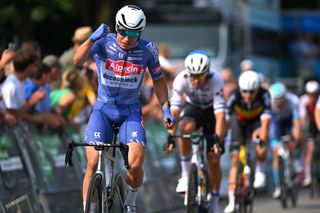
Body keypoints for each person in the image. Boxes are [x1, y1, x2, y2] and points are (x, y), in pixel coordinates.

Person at [73, 5, 175, 213]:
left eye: (134, 33)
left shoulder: (148, 49)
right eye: (123, 31)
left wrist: (166, 107)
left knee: (135, 163)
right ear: (116, 27)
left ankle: (129, 203)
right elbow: (76, 61)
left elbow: (158, 80)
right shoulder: (103, 42)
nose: (127, 38)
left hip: (130, 112)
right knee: (92, 163)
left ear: (141, 32)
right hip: (103, 109)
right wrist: (92, 39)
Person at [165, 50, 226, 213]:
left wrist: (218, 140)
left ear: (207, 73)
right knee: (184, 129)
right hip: (194, 109)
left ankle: (214, 200)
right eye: (193, 76)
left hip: (212, 111)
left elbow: (220, 116)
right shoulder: (181, 80)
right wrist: (171, 135)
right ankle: (185, 175)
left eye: (200, 76)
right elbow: (175, 111)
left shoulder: (216, 80)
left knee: (213, 158)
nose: (196, 80)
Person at [224, 71, 271, 213]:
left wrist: (262, 142)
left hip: (256, 123)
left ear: (257, 90)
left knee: (260, 142)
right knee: (235, 159)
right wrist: (223, 136)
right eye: (245, 92)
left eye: (251, 92)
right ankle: (232, 201)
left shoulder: (264, 95)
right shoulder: (234, 95)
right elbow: (226, 119)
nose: (248, 96)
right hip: (239, 123)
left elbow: (266, 123)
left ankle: (260, 172)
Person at [268, 82, 302, 198]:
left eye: (280, 99)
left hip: (289, 121)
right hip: (276, 123)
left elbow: (297, 123)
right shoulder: (268, 103)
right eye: (275, 100)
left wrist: (296, 138)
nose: (278, 102)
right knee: (276, 154)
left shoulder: (293, 100)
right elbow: (268, 123)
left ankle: (296, 160)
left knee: (298, 135)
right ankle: (278, 186)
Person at [299, 80, 319, 186]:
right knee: (310, 149)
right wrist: (304, 131)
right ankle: (308, 175)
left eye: (315, 94)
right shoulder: (303, 101)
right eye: (310, 94)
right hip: (310, 123)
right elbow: (302, 117)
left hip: (319, 122)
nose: (312, 96)